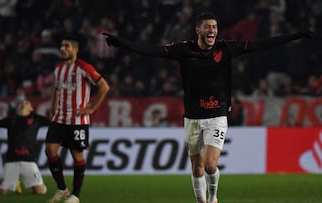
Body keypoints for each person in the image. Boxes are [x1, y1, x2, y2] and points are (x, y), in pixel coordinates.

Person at [103, 12, 313, 203]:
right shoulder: (184, 50)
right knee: (196, 168)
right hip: (193, 116)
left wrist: (294, 36)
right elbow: (153, 50)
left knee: (210, 164)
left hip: (217, 114)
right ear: (198, 30)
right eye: (207, 27)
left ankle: (213, 197)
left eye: (214, 27)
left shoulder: (225, 49)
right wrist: (124, 44)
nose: (212, 30)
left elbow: (260, 44)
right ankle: (201, 201)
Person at [45, 34, 110, 203]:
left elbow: (104, 86)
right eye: (61, 46)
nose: (62, 49)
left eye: (66, 46)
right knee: (50, 150)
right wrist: (53, 107)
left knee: (77, 156)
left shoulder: (84, 67)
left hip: (77, 121)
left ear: (75, 49)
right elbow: (56, 89)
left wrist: (92, 108)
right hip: (59, 117)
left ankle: (76, 195)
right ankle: (61, 189)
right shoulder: (58, 68)